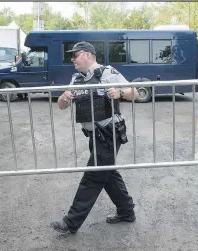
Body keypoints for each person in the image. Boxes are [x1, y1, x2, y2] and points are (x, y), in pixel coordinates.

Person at [51, 41, 139, 234]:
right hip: (94, 135)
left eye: (75, 55)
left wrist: (120, 92)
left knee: (93, 176)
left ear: (88, 55)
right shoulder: (77, 79)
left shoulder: (108, 73)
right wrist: (65, 97)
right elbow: (61, 105)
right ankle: (126, 211)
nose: (72, 59)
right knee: (108, 175)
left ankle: (71, 223)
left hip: (109, 133)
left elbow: (135, 93)